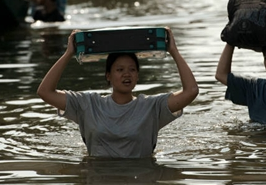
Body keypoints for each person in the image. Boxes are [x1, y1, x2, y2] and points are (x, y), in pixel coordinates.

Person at [37, 27, 199, 158]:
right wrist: (68, 54)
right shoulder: (88, 104)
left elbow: (191, 91)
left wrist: (174, 51)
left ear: (137, 76)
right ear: (108, 75)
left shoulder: (152, 107)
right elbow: (45, 92)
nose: (126, 74)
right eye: (120, 70)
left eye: (132, 70)